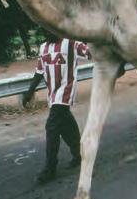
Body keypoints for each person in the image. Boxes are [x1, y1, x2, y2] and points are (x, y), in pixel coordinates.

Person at [23, 33, 89, 184]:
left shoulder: (71, 43)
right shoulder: (43, 48)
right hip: (53, 94)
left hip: (65, 91)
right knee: (66, 124)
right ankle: (79, 154)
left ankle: (50, 168)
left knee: (52, 126)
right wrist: (30, 91)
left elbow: (90, 52)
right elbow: (39, 71)